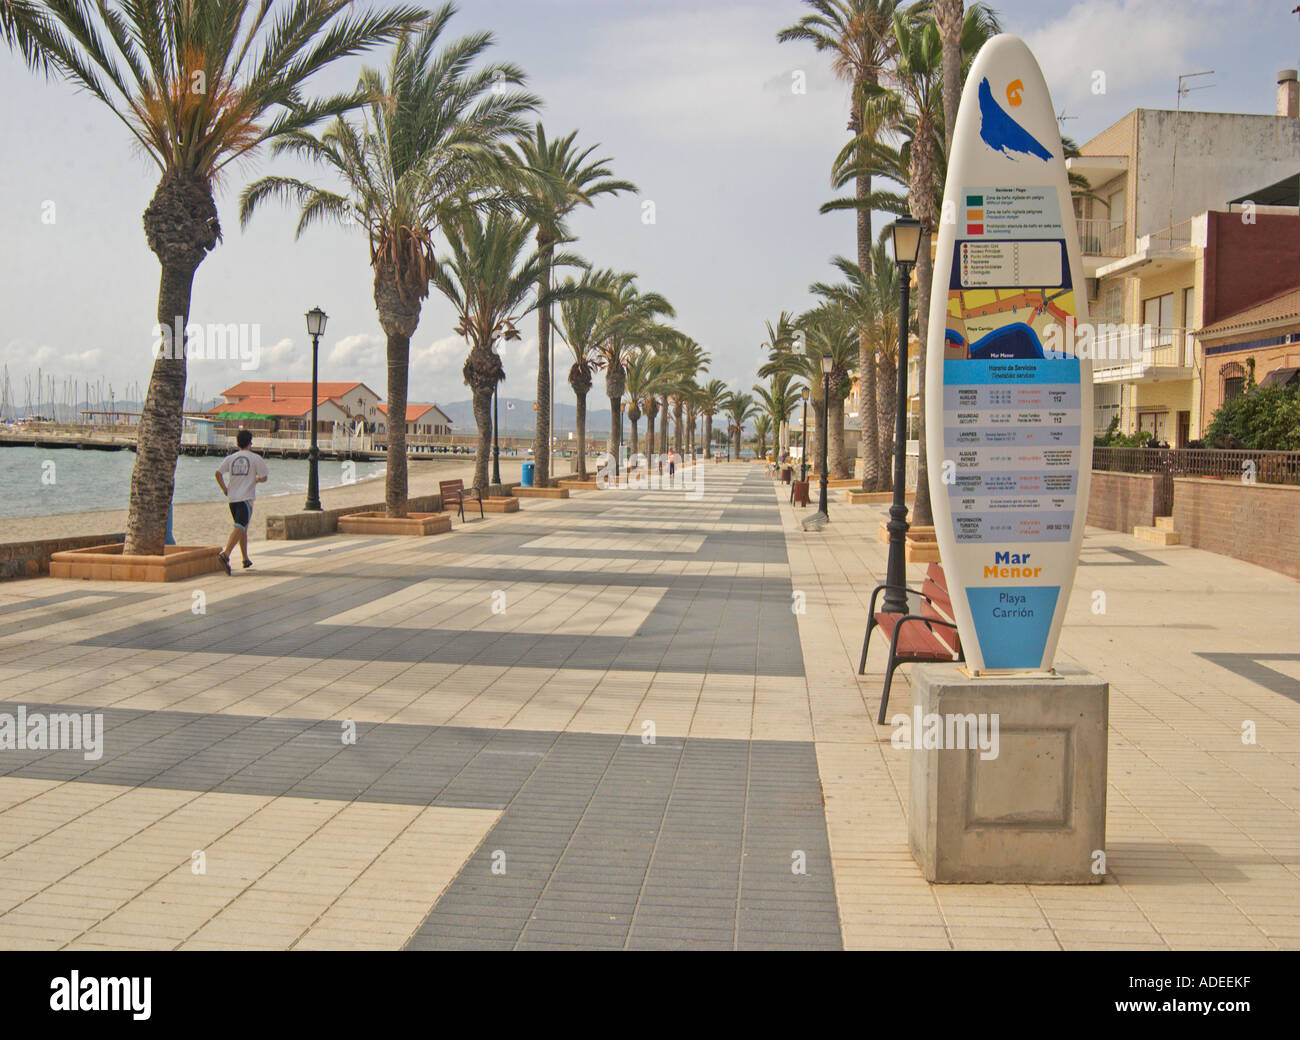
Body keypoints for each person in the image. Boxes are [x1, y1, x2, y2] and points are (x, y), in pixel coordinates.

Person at [215, 428, 268, 574]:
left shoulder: (231, 458)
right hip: (246, 498)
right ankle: (225, 554)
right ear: (250, 443)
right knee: (239, 526)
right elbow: (264, 477)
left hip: (232, 499)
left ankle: (245, 558)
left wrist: (225, 489)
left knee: (242, 527)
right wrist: (256, 479)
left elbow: (218, 473)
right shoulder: (255, 458)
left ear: (238, 443)